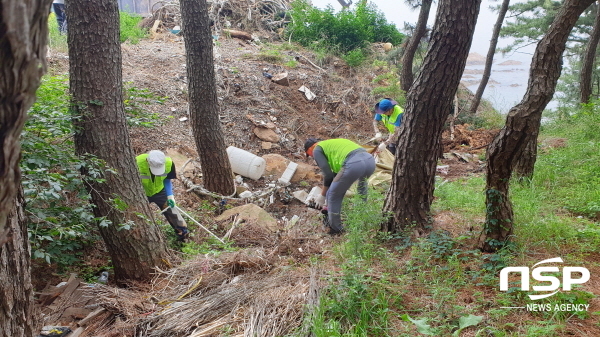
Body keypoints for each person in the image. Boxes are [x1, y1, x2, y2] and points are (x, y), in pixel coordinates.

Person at [304, 138, 376, 235]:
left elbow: (328, 175)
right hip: (370, 161)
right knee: (361, 190)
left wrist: (322, 195)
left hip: (354, 163)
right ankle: (360, 222)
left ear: (310, 148)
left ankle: (336, 229)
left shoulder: (317, 149)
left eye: (309, 154)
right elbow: (335, 177)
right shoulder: (332, 144)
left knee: (334, 194)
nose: (312, 156)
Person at [136, 150, 189, 241]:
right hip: (141, 193)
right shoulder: (136, 163)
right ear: (147, 161)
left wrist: (170, 196)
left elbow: (167, 180)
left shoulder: (169, 163)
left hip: (160, 191)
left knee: (173, 212)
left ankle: (183, 237)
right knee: (137, 216)